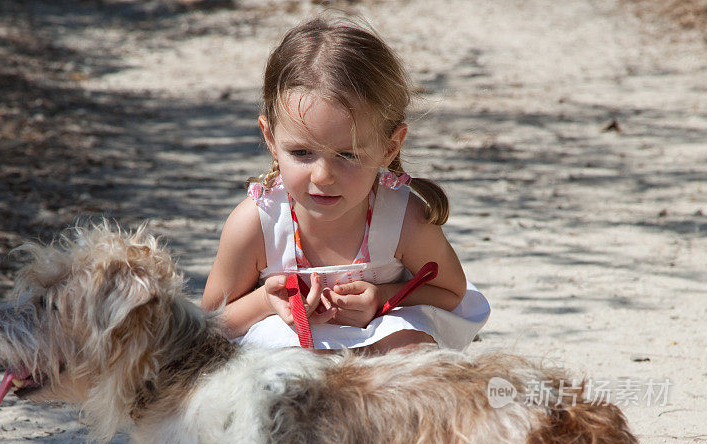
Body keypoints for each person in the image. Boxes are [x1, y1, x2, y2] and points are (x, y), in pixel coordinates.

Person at [201, 16, 490, 353]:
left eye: (347, 155)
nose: (322, 176)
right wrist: (267, 300)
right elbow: (208, 324)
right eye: (302, 152)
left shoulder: (402, 219)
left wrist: (383, 297)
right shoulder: (257, 223)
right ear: (270, 139)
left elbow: (451, 293)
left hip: (376, 349)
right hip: (290, 360)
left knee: (412, 346)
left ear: (389, 147)